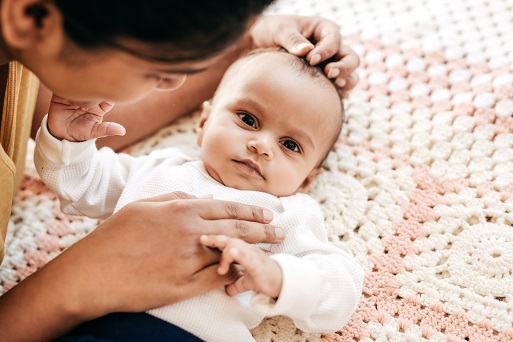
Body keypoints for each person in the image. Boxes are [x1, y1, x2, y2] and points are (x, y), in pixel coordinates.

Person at [0, 0, 360, 340]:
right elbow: (80, 185)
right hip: (89, 325)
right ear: (203, 123)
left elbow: (341, 287)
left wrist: (280, 277)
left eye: (291, 145)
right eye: (247, 119)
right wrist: (68, 141)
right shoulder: (160, 167)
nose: (262, 145)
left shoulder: (286, 216)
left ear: (309, 177)